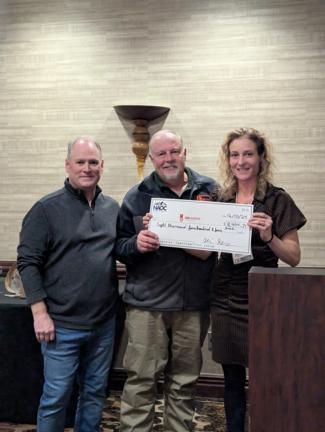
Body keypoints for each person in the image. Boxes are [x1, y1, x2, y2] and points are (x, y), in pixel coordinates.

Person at [116, 130, 217, 432]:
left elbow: (221, 241)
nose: (168, 158)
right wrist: (137, 244)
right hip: (147, 304)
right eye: (161, 154)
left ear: (185, 152)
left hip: (194, 303)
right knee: (141, 379)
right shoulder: (137, 196)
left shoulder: (211, 190)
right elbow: (119, 246)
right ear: (151, 159)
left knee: (185, 380)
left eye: (174, 151)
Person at [17, 137, 120, 432]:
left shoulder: (112, 207)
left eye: (93, 162)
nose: (87, 168)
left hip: (103, 324)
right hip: (61, 326)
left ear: (102, 166)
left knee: (94, 394)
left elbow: (123, 249)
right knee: (56, 398)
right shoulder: (45, 209)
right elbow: (27, 263)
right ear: (67, 166)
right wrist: (40, 313)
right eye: (80, 162)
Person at [210, 128, 307, 432]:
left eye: (248, 154)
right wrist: (162, 226)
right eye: (235, 155)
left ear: (262, 158)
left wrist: (269, 237)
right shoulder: (220, 199)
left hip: (264, 297)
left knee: (268, 375)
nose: (241, 161)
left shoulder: (277, 199)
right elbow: (202, 247)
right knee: (232, 379)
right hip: (225, 296)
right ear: (229, 160)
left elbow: (293, 257)